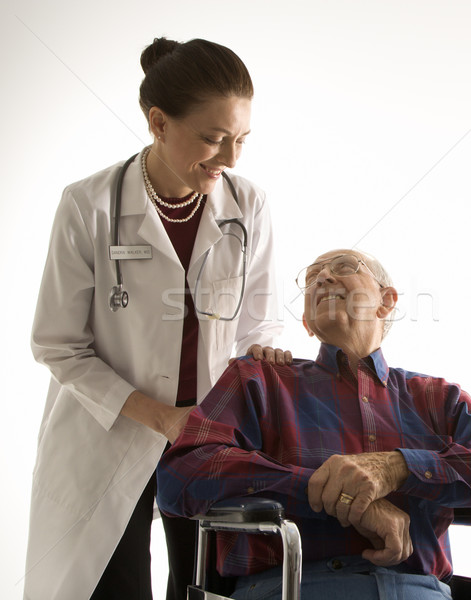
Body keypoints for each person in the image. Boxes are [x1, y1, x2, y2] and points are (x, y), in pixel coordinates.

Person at [25, 37, 291, 600]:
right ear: (158, 122)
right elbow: (59, 345)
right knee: (110, 586)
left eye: (241, 139)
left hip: (210, 441)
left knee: (206, 587)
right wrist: (165, 419)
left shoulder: (249, 205)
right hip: (109, 433)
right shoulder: (88, 205)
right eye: (214, 139)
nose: (231, 159)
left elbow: (259, 323)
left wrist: (266, 356)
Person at [157, 249, 471, 600]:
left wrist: (398, 468)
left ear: (386, 301)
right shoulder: (258, 378)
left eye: (343, 267)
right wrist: (317, 488)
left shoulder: (436, 397)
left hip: (421, 589)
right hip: (290, 586)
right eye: (311, 278)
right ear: (308, 323)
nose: (323, 278)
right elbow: (181, 475)